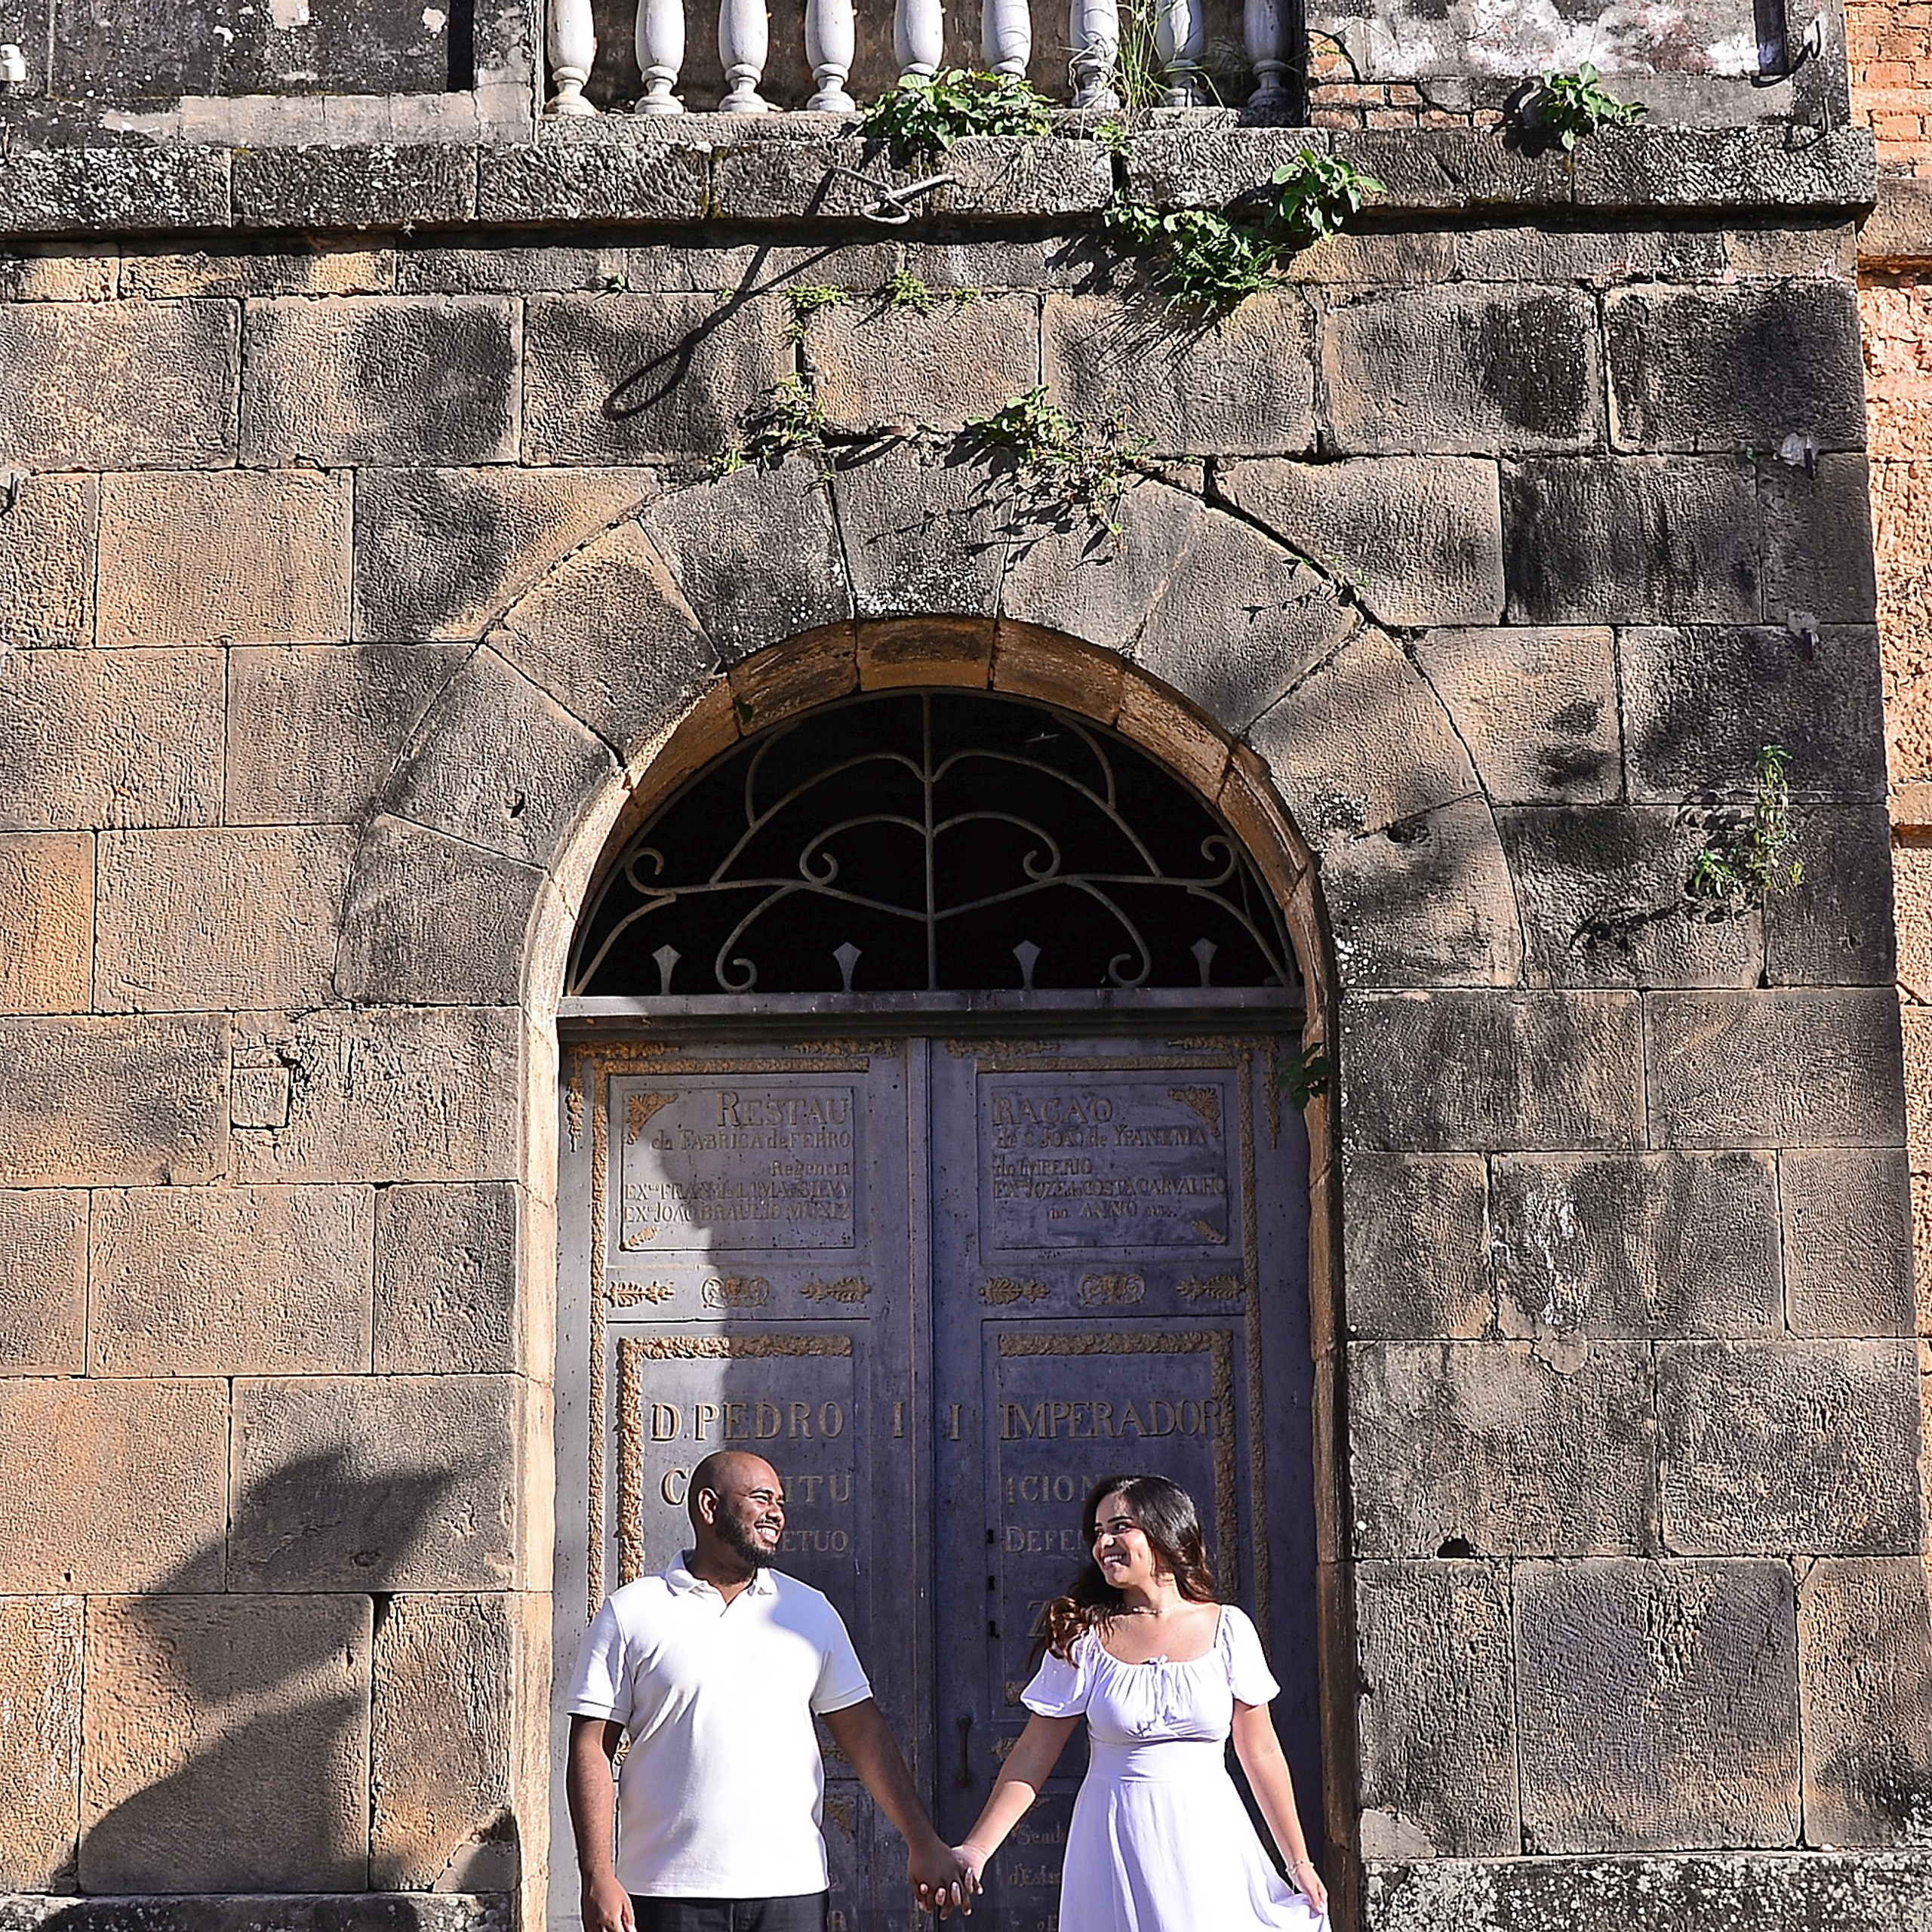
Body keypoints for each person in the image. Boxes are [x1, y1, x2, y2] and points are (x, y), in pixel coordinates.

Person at [565, 1448, 974, 1931]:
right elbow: (590, 1747)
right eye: (761, 1498)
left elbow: (865, 1735)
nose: (777, 1512)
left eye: (780, 1500)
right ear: (708, 1506)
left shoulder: (808, 1612)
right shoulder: (632, 1612)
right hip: (664, 1893)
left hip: (791, 1890)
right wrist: (597, 1875)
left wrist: (923, 1841)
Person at [952, 1473, 1327, 1930]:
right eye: (1097, 1533)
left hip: (1208, 1836)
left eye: (1119, 1527)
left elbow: (1261, 1751)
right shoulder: (1083, 1637)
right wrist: (976, 1850)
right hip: (1116, 1839)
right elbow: (1032, 1755)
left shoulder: (1228, 1629)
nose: (1103, 1542)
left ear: (1166, 1529)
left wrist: (1298, 1862)